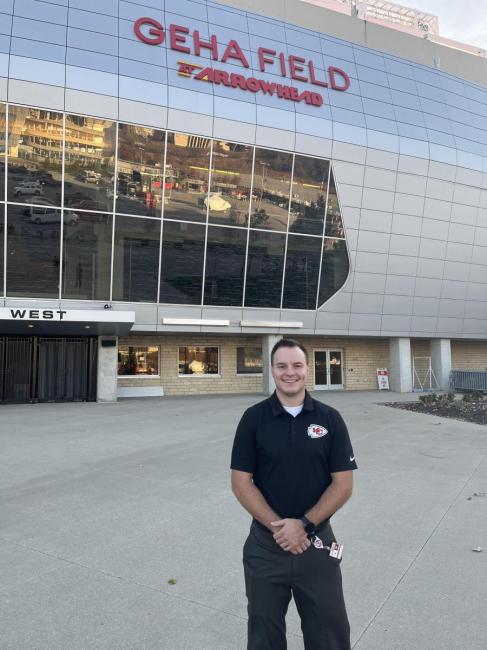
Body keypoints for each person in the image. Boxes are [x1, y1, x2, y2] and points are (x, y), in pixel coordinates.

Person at [231, 338, 357, 650]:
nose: (290, 372)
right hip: (266, 548)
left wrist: (303, 525)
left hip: (317, 545)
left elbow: (343, 485)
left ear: (307, 369)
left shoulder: (330, 419)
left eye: (297, 365)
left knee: (330, 635)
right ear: (272, 370)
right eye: (282, 366)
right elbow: (241, 482)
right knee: (264, 637)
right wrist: (282, 529)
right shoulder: (253, 419)